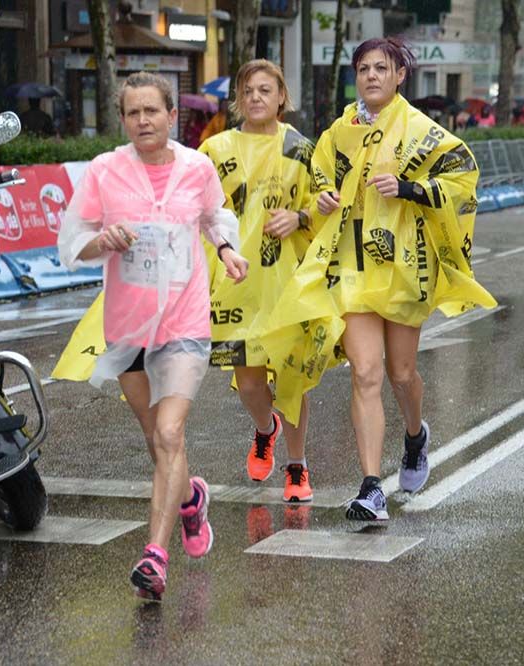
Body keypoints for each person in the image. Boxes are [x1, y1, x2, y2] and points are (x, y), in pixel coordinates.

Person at [256, 37, 497, 522]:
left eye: (381, 68)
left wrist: (409, 188)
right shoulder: (338, 133)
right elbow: (320, 178)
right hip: (352, 268)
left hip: (404, 268)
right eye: (363, 68)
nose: (371, 76)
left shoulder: (421, 130)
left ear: (399, 74)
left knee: (400, 374)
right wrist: (322, 200)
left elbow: (462, 177)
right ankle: (371, 487)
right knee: (365, 372)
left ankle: (415, 436)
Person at [57, 71, 249, 601]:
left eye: (152, 111)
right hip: (128, 326)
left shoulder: (197, 167)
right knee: (156, 440)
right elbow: (72, 242)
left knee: (170, 434)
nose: (143, 120)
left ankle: (154, 556)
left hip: (184, 321)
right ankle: (190, 501)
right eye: (132, 113)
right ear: (122, 120)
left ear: (171, 115)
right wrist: (103, 240)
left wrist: (228, 250)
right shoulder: (104, 172)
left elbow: (215, 217)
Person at [198, 59, 317, 502]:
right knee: (250, 383)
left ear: (282, 97)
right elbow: (200, 209)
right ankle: (265, 429)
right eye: (248, 91)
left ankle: (297, 467)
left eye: (265, 90)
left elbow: (326, 208)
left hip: (286, 282)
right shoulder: (216, 149)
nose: (255, 98)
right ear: (238, 99)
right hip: (235, 282)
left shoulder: (300, 149)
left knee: (291, 380)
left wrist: (300, 215)